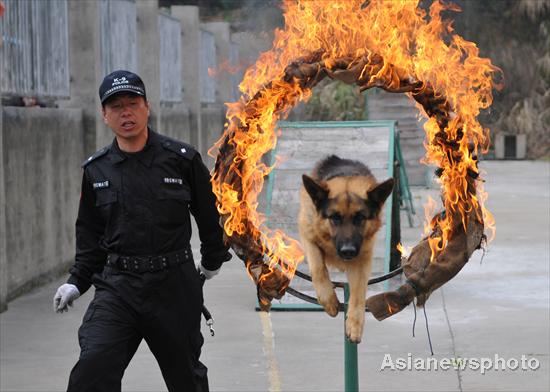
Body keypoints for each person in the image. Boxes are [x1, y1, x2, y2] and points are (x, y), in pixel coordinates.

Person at [53, 70, 231, 392]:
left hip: (173, 286)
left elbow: (210, 216)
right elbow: (90, 236)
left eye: (133, 103)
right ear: (104, 115)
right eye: (117, 106)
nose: (126, 113)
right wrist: (76, 282)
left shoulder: (182, 160)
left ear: (147, 107)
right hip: (118, 287)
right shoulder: (96, 170)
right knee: (92, 369)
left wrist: (211, 261)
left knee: (186, 380)